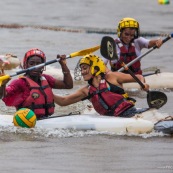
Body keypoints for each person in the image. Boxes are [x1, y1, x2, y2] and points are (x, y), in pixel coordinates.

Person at [54, 54, 150, 117]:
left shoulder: (112, 77)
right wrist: (46, 92)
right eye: (81, 69)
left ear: (95, 68)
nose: (82, 72)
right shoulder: (86, 91)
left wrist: (143, 84)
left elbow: (138, 77)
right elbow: (63, 101)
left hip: (131, 113)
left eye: (85, 68)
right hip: (111, 120)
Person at [0, 48, 73, 119]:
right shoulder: (20, 82)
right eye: (31, 63)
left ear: (43, 66)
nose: (35, 66)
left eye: (38, 64)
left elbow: (68, 85)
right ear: (26, 65)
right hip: (26, 122)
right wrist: (2, 85)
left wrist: (63, 65)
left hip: (47, 118)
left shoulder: (46, 78)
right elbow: (2, 96)